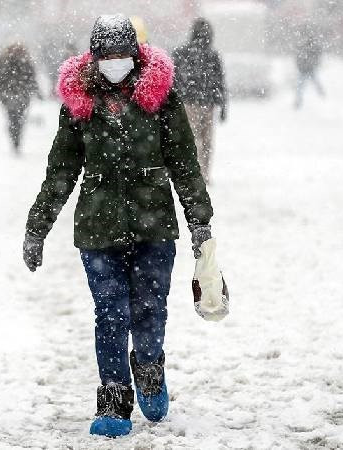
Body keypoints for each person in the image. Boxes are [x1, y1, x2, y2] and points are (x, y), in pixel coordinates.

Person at [22, 14, 214, 438]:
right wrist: (37, 227)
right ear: (95, 57)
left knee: (149, 308)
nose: (115, 61)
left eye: (123, 54)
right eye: (107, 55)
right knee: (110, 312)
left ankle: (148, 369)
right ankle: (112, 397)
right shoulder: (79, 105)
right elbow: (60, 170)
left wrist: (200, 222)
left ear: (136, 55)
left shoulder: (161, 99)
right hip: (97, 228)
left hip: (154, 226)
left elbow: (185, 165)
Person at [172, 18, 227, 184]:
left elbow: (173, 81)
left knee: (190, 141)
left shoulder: (181, 53)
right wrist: (223, 106)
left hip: (187, 104)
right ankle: (204, 174)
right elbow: (220, 82)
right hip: (207, 105)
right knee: (206, 142)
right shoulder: (213, 55)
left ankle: (190, 174)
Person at [0, 43, 41, 153]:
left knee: (12, 118)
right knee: (18, 119)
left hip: (9, 94)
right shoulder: (26, 60)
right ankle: (16, 138)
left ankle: (14, 137)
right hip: (21, 95)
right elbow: (32, 78)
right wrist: (36, 91)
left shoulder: (3, 60)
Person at [294, 34, 325, 109]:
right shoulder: (311, 49)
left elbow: (298, 59)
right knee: (303, 86)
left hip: (306, 70)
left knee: (300, 87)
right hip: (306, 70)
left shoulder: (306, 49)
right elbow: (299, 59)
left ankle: (299, 101)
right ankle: (321, 94)